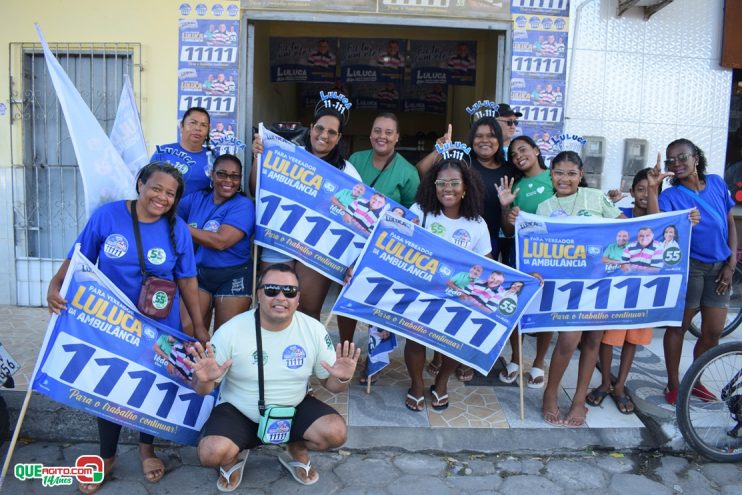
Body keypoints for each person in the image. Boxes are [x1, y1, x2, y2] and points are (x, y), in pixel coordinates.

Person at [46, 162, 208, 493]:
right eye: (156, 188)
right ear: (140, 184)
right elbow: (80, 257)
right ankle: (106, 457)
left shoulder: (177, 228)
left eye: (170, 193)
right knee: (111, 385)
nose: (162, 197)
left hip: (159, 322)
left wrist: (200, 327)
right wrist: (55, 284)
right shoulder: (107, 216)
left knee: (149, 383)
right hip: (110, 321)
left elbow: (188, 278)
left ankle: (146, 447)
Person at [191, 263, 360, 490]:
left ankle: (295, 447)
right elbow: (201, 390)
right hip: (239, 411)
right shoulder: (230, 331)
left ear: (298, 298)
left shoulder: (314, 330)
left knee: (335, 433)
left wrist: (342, 378)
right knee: (210, 454)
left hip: (292, 408)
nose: (281, 297)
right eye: (271, 290)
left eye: (289, 291)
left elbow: (332, 386)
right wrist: (204, 380)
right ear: (258, 294)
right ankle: (233, 459)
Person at [250, 94, 362, 321]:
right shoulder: (286, 154)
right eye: (320, 128)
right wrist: (258, 157)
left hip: (317, 248)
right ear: (311, 128)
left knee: (309, 310)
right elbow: (255, 189)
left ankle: (309, 357)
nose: (324, 136)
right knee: (272, 307)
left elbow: (358, 217)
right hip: (279, 239)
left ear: (339, 137)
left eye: (332, 132)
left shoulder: (346, 172)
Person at [535, 151, 626, 427]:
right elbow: (537, 247)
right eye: (559, 173)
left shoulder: (597, 198)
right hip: (567, 286)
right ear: (551, 174)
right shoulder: (544, 208)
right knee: (568, 339)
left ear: (581, 175)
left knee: (592, 341)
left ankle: (578, 401)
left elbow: (626, 224)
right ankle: (550, 394)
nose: (565, 179)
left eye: (571, 173)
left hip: (599, 283)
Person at [647, 139, 736, 405]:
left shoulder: (718, 183)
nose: (676, 164)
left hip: (721, 267)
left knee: (713, 331)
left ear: (696, 157)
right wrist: (653, 188)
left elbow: (730, 222)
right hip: (690, 268)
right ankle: (674, 385)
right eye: (670, 161)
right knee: (679, 328)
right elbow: (656, 225)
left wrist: (731, 264)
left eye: (682, 157)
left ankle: (694, 382)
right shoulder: (671, 196)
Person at [405, 152, 490, 411]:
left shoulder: (477, 224)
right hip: (421, 291)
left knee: (456, 343)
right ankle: (417, 384)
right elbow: (399, 241)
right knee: (415, 340)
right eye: (441, 183)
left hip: (457, 297)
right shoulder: (420, 212)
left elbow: (486, 265)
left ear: (465, 187)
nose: (447, 188)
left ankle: (441, 383)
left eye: (454, 182)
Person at [340, 113, 421, 367]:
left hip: (385, 248)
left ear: (397, 137)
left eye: (388, 132)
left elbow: (413, 214)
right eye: (377, 130)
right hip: (351, 240)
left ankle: (373, 359)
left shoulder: (408, 171)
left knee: (377, 302)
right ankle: (346, 352)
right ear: (370, 133)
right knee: (348, 296)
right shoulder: (355, 159)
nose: (382, 136)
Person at [588, 169, 655, 414]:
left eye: (652, 190)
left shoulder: (663, 220)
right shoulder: (619, 217)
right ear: (631, 191)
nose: (645, 195)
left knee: (632, 339)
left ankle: (620, 386)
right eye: (640, 189)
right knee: (609, 337)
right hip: (615, 291)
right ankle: (605, 382)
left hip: (643, 292)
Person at [497, 135, 553, 388]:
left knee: (546, 311)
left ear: (537, 150)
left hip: (553, 257)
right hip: (519, 256)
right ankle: (516, 359)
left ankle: (539, 362)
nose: (519, 155)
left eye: (523, 149)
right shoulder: (515, 185)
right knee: (515, 307)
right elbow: (508, 231)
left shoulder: (555, 178)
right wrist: (506, 207)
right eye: (513, 154)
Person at [177, 154, 255, 334]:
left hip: (233, 275)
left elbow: (221, 242)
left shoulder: (243, 205)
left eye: (235, 176)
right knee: (186, 329)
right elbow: (169, 215)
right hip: (199, 272)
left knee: (224, 338)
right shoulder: (197, 199)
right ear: (212, 175)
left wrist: (183, 227)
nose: (228, 180)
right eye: (222, 174)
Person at [151, 107, 213, 196]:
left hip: (197, 209)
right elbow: (149, 184)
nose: (198, 128)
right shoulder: (163, 152)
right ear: (182, 125)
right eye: (193, 123)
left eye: (203, 125)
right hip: (164, 207)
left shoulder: (213, 158)